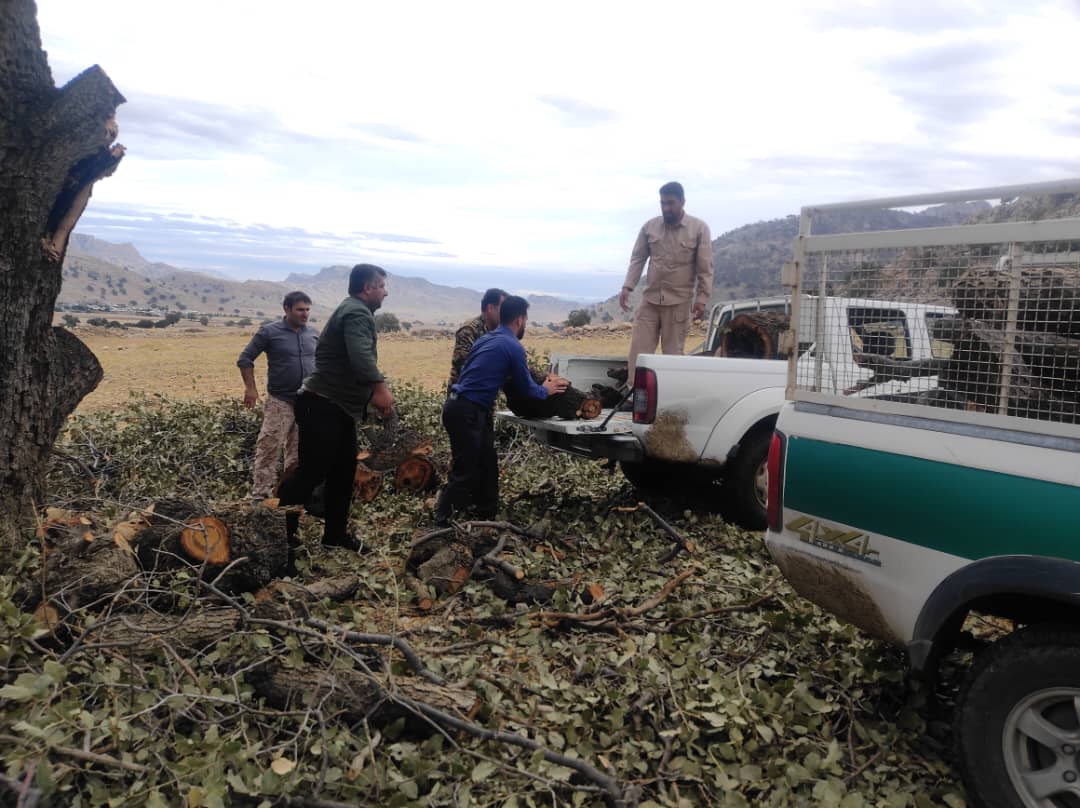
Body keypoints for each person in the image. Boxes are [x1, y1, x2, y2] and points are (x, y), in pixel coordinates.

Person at [276, 264, 394, 550]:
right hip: (322, 406)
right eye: (381, 286)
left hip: (337, 408)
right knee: (311, 473)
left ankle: (335, 536)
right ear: (367, 288)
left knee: (342, 473)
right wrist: (380, 388)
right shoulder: (356, 312)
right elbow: (360, 355)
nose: (385, 292)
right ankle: (279, 535)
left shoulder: (353, 309)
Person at [435, 295, 567, 525]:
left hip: (458, 407)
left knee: (487, 461)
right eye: (526, 319)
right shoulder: (512, 346)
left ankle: (486, 514)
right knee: (465, 469)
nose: (525, 324)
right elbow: (529, 390)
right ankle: (441, 522)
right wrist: (547, 388)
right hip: (467, 411)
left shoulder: (486, 339)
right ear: (519, 320)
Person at [619, 181, 713, 380]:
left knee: (673, 357)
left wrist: (701, 299)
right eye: (662, 203)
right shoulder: (650, 227)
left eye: (670, 203)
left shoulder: (699, 229)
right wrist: (628, 286)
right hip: (650, 301)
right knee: (638, 353)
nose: (666, 208)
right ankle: (634, 396)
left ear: (682, 202)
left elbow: (705, 268)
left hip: (679, 303)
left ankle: (669, 401)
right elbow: (638, 258)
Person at [237, 291, 319, 501]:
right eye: (300, 309)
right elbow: (245, 359)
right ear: (287, 309)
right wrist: (251, 389)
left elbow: (324, 364)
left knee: (300, 453)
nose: (305, 314)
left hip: (308, 402)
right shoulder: (269, 332)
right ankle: (260, 496)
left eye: (308, 309)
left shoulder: (313, 334)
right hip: (280, 401)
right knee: (269, 447)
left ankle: (293, 496)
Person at [447, 288, 507, 393]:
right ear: (490, 308)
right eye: (503, 309)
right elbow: (462, 366)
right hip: (463, 396)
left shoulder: (499, 331)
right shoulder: (469, 330)